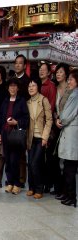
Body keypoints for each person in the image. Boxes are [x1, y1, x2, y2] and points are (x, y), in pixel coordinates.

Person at [0, 78, 29, 195]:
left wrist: (17, 122)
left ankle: (17, 184)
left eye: (14, 86)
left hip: (16, 135)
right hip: (5, 133)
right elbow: (1, 118)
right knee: (7, 160)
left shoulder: (21, 101)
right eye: (10, 86)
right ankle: (10, 182)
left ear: (18, 88)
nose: (12, 88)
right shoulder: (5, 101)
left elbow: (26, 118)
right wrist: (0, 133)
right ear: (8, 88)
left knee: (15, 160)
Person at [26, 77, 52, 199]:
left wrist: (45, 137)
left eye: (33, 85)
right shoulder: (28, 102)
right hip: (30, 138)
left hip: (41, 138)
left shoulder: (43, 100)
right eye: (29, 86)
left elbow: (49, 119)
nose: (31, 88)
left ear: (38, 87)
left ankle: (39, 188)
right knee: (30, 163)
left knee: (36, 163)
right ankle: (31, 187)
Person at [46, 63, 70, 196]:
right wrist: (55, 119)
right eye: (57, 72)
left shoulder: (70, 89)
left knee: (65, 159)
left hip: (68, 126)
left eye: (61, 72)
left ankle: (66, 189)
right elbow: (53, 108)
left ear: (66, 73)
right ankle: (57, 186)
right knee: (53, 157)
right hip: (56, 126)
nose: (58, 74)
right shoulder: (54, 88)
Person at [56, 70, 78, 208]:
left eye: (71, 79)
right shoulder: (71, 93)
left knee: (70, 167)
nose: (68, 82)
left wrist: (60, 120)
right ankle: (67, 194)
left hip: (71, 133)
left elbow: (66, 115)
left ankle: (72, 197)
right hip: (68, 132)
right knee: (67, 166)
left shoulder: (75, 95)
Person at [13, 54, 30, 187]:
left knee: (21, 150)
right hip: (10, 118)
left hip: (22, 118)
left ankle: (22, 178)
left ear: (24, 66)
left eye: (20, 63)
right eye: (16, 63)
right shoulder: (11, 80)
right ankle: (13, 177)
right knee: (11, 149)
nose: (17, 65)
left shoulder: (27, 82)